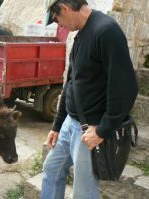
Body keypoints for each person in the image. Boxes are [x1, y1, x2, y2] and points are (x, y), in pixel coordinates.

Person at [41, 0, 138, 199]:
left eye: (58, 20)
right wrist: (57, 125)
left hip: (89, 129)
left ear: (66, 8)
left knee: (83, 193)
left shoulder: (106, 31)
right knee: (51, 170)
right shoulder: (81, 33)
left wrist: (104, 130)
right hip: (70, 123)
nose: (60, 26)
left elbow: (126, 87)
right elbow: (71, 82)